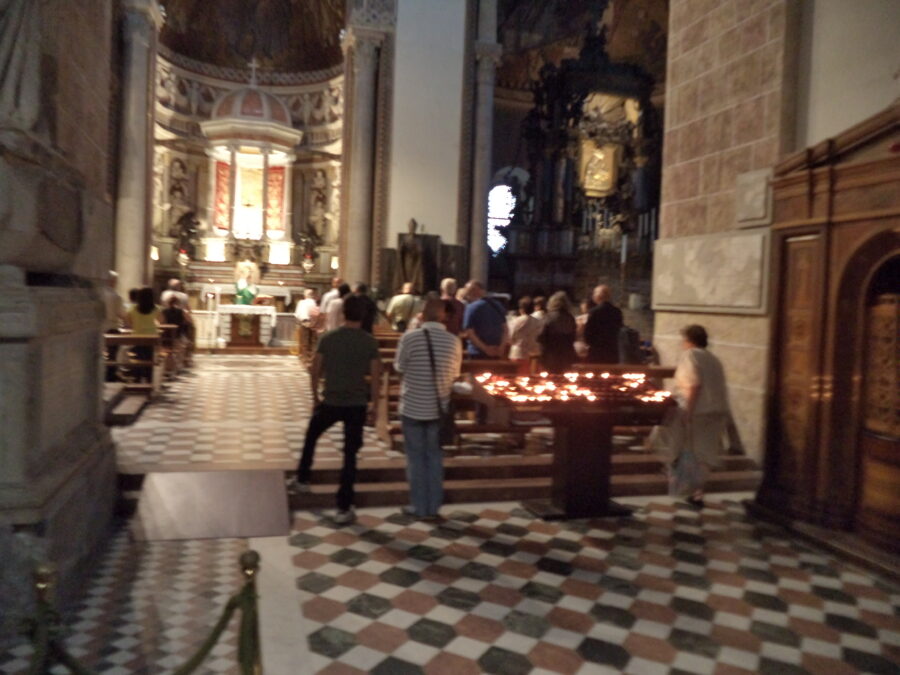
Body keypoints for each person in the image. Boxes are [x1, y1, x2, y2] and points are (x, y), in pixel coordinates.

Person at [289, 295, 382, 525]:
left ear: (342, 314)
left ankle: (302, 478)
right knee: (350, 456)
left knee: (312, 435)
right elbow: (377, 378)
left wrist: (314, 397)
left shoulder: (329, 338)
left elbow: (315, 369)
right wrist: (375, 407)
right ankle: (343, 507)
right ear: (362, 316)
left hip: (331, 401)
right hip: (356, 404)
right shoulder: (369, 342)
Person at [394, 294, 462, 519]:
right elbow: (454, 375)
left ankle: (418, 507)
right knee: (434, 458)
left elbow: (400, 368)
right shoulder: (454, 341)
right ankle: (432, 508)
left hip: (413, 406)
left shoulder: (410, 338)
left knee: (415, 459)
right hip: (438, 408)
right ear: (444, 317)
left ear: (422, 315)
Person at [661, 325, 732, 508]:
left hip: (697, 411)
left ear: (689, 340)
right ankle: (698, 493)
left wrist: (688, 413)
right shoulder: (713, 358)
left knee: (681, 445)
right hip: (716, 411)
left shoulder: (690, 355)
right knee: (705, 453)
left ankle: (683, 485)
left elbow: (694, 385)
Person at [461, 281, 509, 358]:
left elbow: (469, 332)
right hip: (497, 351)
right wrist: (501, 348)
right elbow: (505, 329)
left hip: (477, 352)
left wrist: (486, 349)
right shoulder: (498, 305)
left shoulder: (471, 307)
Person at [124, 286, 160, 381]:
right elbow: (162, 320)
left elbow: (128, 322)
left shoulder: (132, 309)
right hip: (151, 337)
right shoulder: (156, 309)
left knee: (138, 357)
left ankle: (137, 378)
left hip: (137, 336)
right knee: (149, 358)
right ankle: (149, 379)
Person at [537, 291, 578, 373]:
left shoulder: (548, 317)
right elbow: (573, 337)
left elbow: (540, 336)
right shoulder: (570, 318)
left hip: (550, 354)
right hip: (567, 354)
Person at [583, 284, 623, 364]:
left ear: (598, 296)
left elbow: (588, 332)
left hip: (597, 351)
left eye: (594, 293)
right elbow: (620, 329)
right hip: (612, 350)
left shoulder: (594, 312)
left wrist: (588, 343)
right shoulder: (617, 311)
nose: (593, 296)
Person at [508, 296, 541, 374]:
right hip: (532, 352)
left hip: (517, 352)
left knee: (516, 376)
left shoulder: (516, 321)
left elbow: (510, 336)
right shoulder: (537, 322)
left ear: (521, 308)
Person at [294, 288, 320, 364]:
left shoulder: (301, 302)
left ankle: (304, 358)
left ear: (305, 295)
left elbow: (298, 314)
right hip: (313, 323)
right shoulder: (314, 302)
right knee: (312, 341)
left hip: (304, 322)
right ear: (312, 295)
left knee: (304, 341)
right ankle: (310, 358)